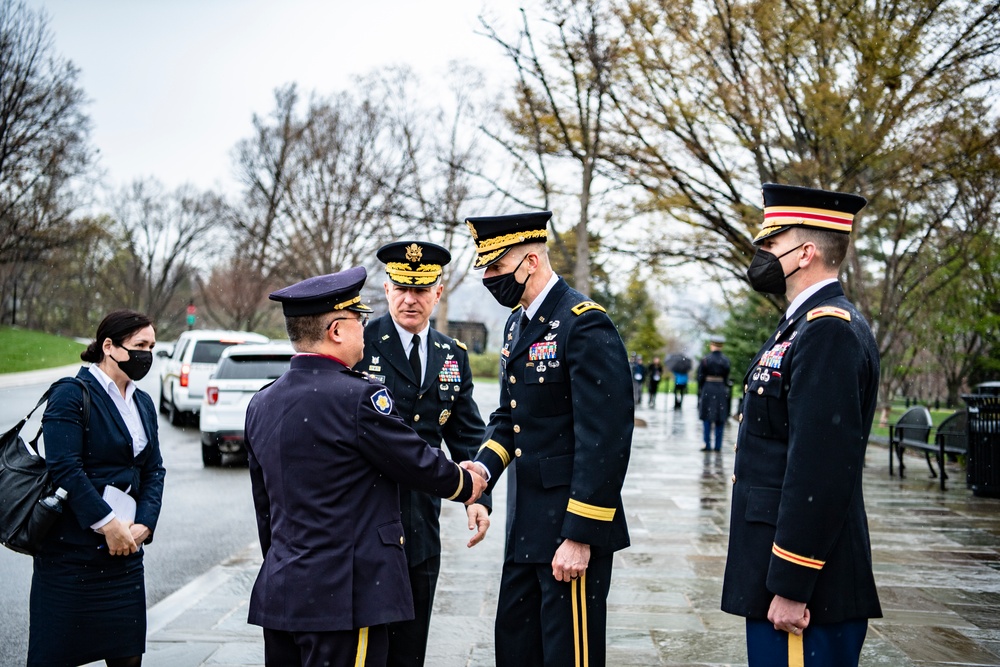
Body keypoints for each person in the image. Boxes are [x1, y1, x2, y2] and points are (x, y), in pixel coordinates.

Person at [244, 266, 486, 667]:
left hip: (284, 590)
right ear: (337, 330)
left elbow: (265, 506)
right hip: (346, 595)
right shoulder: (357, 398)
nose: (364, 328)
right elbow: (415, 460)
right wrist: (468, 483)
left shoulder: (263, 402)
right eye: (358, 320)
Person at [463, 210, 633, 667]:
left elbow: (606, 439)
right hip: (526, 527)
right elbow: (508, 418)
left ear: (532, 261)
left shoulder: (584, 323)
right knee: (517, 649)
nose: (489, 279)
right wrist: (482, 468)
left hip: (568, 529)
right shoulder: (517, 325)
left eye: (496, 269)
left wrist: (580, 535)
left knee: (567, 656)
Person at [722, 183, 882, 666]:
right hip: (783, 577)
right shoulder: (802, 324)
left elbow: (820, 469)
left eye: (771, 244)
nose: (762, 255)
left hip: (808, 591)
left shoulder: (828, 330)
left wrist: (792, 584)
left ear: (806, 252)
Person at [355, 241, 490, 667]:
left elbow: (466, 431)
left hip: (421, 519)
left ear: (438, 292)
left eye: (421, 290)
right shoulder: (361, 344)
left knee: (412, 644)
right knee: (368, 646)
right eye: (401, 289)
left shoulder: (452, 355)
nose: (410, 299)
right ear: (387, 289)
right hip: (365, 514)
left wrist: (478, 496)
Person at [31, 309, 166, 667]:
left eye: (151, 346)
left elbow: (154, 469)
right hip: (70, 557)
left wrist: (145, 524)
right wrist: (107, 524)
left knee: (126, 657)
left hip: (124, 558)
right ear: (109, 346)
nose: (146, 355)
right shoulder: (71, 394)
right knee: (55, 656)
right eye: (139, 345)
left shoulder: (143, 402)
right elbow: (65, 469)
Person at [696, 336, 731, 451]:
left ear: (712, 345)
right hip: (720, 389)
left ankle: (707, 443)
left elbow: (700, 376)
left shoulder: (706, 359)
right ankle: (718, 445)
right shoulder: (725, 360)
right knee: (720, 418)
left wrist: (701, 388)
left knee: (707, 417)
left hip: (708, 388)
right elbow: (726, 377)